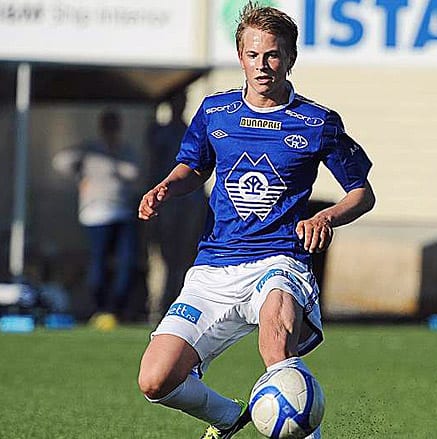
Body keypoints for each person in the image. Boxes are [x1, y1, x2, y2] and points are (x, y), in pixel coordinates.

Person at [136, 5, 375, 439]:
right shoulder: (215, 112)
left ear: (290, 57)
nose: (262, 65)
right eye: (253, 55)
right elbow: (194, 167)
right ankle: (229, 418)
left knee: (277, 353)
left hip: (280, 261)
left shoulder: (317, 122)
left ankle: (304, 428)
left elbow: (362, 193)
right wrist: (167, 186)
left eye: (273, 55)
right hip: (214, 267)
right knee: (156, 379)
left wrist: (325, 217)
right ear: (240, 56)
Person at [52, 109, 140, 330]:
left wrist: (109, 163)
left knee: (126, 262)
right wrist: (81, 172)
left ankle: (117, 308)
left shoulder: (124, 150)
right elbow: (61, 161)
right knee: (98, 263)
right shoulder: (90, 150)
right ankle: (99, 308)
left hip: (122, 210)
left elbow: (133, 172)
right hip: (95, 212)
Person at [145, 91, 208, 322]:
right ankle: (163, 302)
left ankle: (180, 302)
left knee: (186, 255)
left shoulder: (192, 130)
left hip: (190, 202)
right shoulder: (159, 133)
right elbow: (152, 164)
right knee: (165, 255)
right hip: (168, 202)